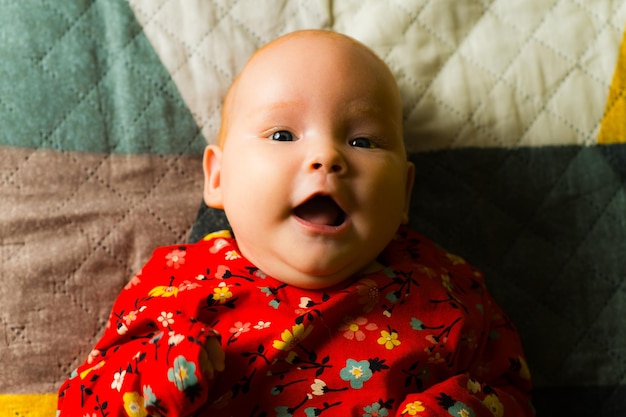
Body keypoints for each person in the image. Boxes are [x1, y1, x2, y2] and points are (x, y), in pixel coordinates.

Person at [57, 30, 534, 416]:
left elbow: (510, 389)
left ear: (405, 192)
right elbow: (82, 402)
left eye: (364, 142)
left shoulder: (448, 285)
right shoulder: (179, 281)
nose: (327, 156)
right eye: (282, 134)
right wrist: (167, 371)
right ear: (218, 177)